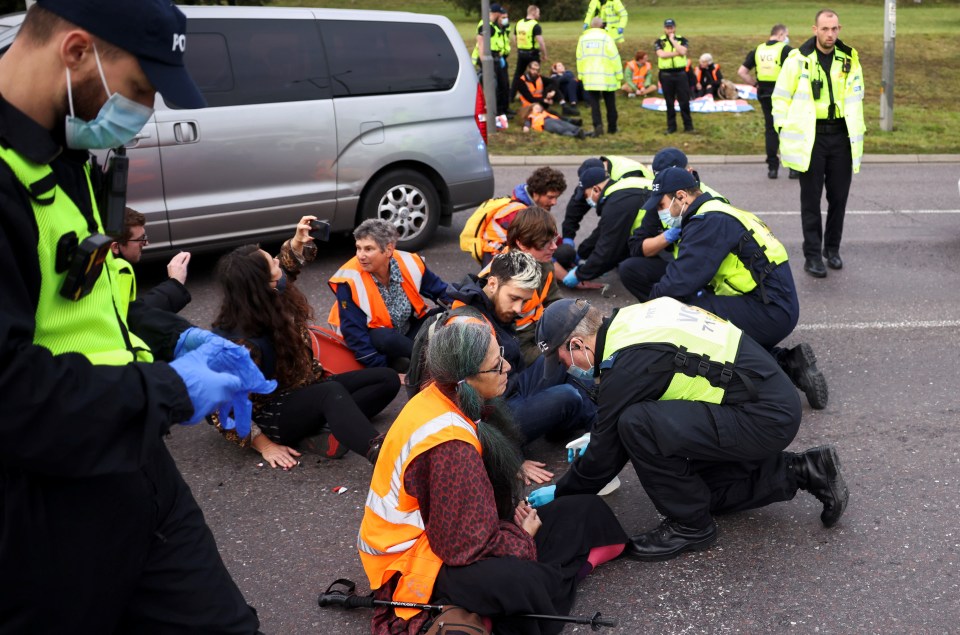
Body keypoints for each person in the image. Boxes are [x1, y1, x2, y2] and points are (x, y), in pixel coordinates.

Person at [0, 1, 278, 632]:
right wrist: (169, 390)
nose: (143, 113)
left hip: (135, 465)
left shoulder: (59, 145)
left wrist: (176, 345)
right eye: (139, 90)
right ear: (75, 53)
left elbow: (85, 306)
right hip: (45, 507)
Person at [358, 319, 627, 635]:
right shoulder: (450, 447)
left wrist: (503, 519)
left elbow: (466, 516)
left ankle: (521, 590)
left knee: (585, 510)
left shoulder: (442, 395)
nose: (509, 367)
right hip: (413, 561)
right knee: (521, 583)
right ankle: (503, 601)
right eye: (496, 366)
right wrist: (521, 536)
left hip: (447, 534)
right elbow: (462, 549)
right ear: (465, 380)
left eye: (501, 356)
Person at [528, 298, 849, 561]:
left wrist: (561, 492)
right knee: (699, 493)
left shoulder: (626, 364)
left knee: (636, 425)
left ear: (577, 344)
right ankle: (807, 470)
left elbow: (605, 454)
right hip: (763, 397)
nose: (570, 369)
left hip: (763, 416)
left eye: (564, 361)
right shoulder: (629, 320)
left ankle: (691, 526)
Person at [212, 218, 401, 466]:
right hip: (272, 414)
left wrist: (298, 242)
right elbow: (222, 408)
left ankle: (326, 430)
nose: (278, 261)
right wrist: (265, 445)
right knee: (330, 393)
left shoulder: (268, 295)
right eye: (272, 263)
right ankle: (383, 455)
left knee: (386, 378)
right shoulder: (240, 343)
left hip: (306, 389)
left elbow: (287, 267)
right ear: (262, 284)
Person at [643, 167, 829, 410]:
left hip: (770, 310)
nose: (661, 213)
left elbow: (678, 282)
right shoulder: (716, 211)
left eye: (661, 205)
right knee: (698, 307)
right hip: (771, 303)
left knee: (690, 319)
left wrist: (645, 314)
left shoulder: (707, 222)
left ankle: (778, 372)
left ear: (681, 196)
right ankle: (791, 362)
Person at [450, 251, 596, 447]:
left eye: (524, 301)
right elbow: (468, 407)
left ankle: (597, 425)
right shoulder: (468, 326)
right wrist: (511, 459)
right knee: (569, 395)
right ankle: (592, 427)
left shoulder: (493, 305)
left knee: (563, 354)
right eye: (514, 298)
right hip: (496, 415)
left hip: (513, 386)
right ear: (492, 284)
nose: (519, 309)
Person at [773, 9, 865, 278]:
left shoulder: (849, 59)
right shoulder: (798, 60)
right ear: (815, 29)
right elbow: (780, 99)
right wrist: (782, 128)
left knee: (839, 198)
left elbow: (857, 97)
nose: (830, 34)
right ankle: (812, 255)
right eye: (825, 29)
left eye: (835, 29)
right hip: (811, 136)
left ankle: (832, 249)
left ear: (840, 28)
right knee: (811, 200)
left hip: (840, 136)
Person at [328, 219, 451, 371]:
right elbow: (355, 335)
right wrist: (382, 367)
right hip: (375, 344)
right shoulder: (348, 280)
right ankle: (431, 361)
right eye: (358, 248)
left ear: (388, 250)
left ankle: (410, 359)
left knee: (444, 314)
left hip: (406, 333)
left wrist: (463, 309)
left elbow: (442, 291)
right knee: (385, 337)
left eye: (368, 249)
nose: (361, 256)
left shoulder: (409, 263)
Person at [481, 206, 563, 366]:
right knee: (562, 358)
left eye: (554, 239)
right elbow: (499, 336)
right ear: (522, 243)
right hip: (516, 341)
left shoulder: (544, 264)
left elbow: (553, 299)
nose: (554, 247)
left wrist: (565, 320)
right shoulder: (497, 277)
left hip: (540, 329)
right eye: (545, 243)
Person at [560, 166, 652, 289]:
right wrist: (582, 254)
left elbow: (608, 249)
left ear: (596, 189)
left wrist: (579, 274)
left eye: (586, 195)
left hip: (671, 244)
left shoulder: (617, 203)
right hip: (669, 232)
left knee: (629, 268)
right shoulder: (622, 187)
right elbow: (604, 231)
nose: (587, 200)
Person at [472, 166, 568, 265]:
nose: (554, 202)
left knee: (565, 252)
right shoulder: (519, 215)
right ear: (535, 194)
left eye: (557, 197)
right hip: (501, 266)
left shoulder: (529, 209)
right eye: (550, 197)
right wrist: (573, 277)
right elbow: (540, 253)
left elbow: (552, 237)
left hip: (512, 257)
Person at [110, 206, 192, 313]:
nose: (146, 243)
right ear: (115, 247)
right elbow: (131, 317)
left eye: (145, 237)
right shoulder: (115, 273)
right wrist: (174, 284)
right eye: (140, 239)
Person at [738, 23, 792, 179]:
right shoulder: (786, 50)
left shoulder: (758, 50)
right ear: (781, 35)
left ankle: (772, 168)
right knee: (786, 129)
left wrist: (755, 84)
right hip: (783, 95)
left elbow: (742, 72)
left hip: (764, 95)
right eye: (786, 35)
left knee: (771, 129)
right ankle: (792, 168)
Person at [576, 17, 622, 137]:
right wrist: (619, 74)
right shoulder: (606, 38)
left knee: (594, 104)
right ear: (602, 26)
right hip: (607, 77)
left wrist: (581, 75)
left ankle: (598, 126)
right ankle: (612, 128)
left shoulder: (583, 39)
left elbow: (579, 58)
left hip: (590, 77)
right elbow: (614, 58)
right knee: (610, 103)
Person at [655, 18, 695, 134]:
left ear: (675, 28)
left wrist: (673, 41)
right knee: (669, 101)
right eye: (667, 28)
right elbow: (661, 54)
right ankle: (671, 127)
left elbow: (683, 51)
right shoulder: (659, 41)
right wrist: (676, 53)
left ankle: (688, 126)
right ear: (664, 29)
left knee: (684, 100)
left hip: (680, 74)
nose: (669, 29)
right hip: (666, 74)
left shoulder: (681, 39)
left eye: (671, 27)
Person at [474, 3, 512, 118]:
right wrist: (484, 60)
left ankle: (504, 109)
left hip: (497, 57)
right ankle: (497, 112)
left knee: (503, 84)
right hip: (489, 58)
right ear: (496, 14)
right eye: (501, 15)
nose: (503, 17)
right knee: (495, 86)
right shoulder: (487, 25)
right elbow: (481, 43)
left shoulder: (495, 25)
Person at [511, 5, 548, 104]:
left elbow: (514, 38)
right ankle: (535, 95)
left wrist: (519, 47)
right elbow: (540, 42)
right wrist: (545, 54)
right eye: (538, 13)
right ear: (533, 12)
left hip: (521, 53)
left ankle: (511, 96)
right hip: (532, 54)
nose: (539, 15)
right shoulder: (535, 25)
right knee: (534, 74)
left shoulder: (519, 23)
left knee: (517, 75)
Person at [521, 102, 586, 139]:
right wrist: (526, 127)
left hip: (554, 120)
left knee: (570, 127)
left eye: (539, 107)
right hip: (546, 123)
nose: (538, 109)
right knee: (560, 129)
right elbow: (527, 122)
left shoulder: (545, 112)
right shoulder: (531, 116)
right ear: (531, 110)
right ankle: (575, 135)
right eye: (536, 108)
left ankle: (588, 134)